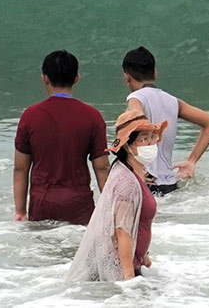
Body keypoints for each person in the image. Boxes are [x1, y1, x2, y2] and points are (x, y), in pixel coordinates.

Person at [66, 111, 167, 282]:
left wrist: (144, 256)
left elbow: (137, 222)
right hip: (118, 269)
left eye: (152, 137)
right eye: (144, 139)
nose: (151, 143)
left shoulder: (133, 171)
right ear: (127, 145)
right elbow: (122, 231)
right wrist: (128, 278)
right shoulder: (126, 183)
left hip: (128, 263)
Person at [13, 50, 110, 225]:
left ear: (45, 78)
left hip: (42, 203)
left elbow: (20, 169)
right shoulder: (92, 116)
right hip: (79, 205)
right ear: (77, 78)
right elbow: (102, 168)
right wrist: (111, 209)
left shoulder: (30, 115)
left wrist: (20, 211)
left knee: (42, 251)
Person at [123, 46, 209, 195]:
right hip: (170, 184)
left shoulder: (136, 98)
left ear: (127, 77)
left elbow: (138, 123)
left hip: (146, 182)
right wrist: (191, 161)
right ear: (155, 73)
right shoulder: (173, 101)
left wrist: (135, 167)